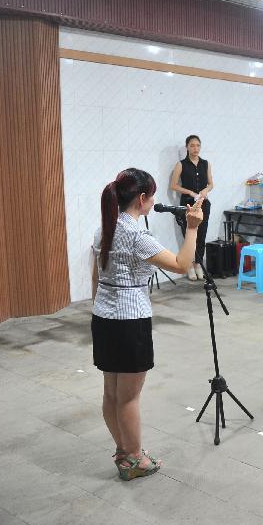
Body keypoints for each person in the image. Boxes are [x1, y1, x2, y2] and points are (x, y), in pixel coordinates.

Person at [92, 168, 205, 481]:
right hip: (129, 320)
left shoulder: (105, 228)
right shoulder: (136, 236)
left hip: (104, 316)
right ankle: (136, 459)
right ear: (142, 200)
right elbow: (183, 266)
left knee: (112, 394)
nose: (154, 200)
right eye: (152, 195)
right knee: (128, 397)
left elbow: (96, 274)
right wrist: (192, 227)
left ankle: (123, 451)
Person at [168, 135, 213, 280]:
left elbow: (211, 184)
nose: (195, 148)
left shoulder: (206, 163)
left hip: (203, 204)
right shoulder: (181, 164)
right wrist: (190, 192)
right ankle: (190, 265)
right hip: (187, 204)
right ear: (187, 147)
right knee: (189, 236)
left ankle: (199, 264)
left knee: (202, 235)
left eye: (198, 145)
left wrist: (206, 190)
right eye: (192, 145)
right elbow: (173, 186)